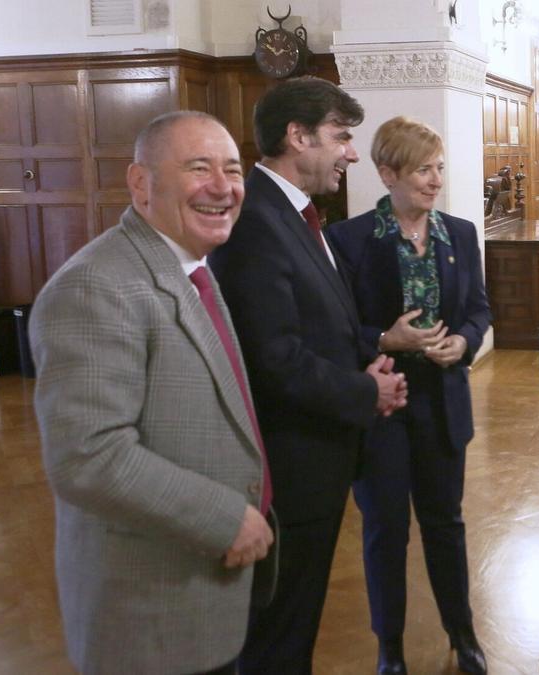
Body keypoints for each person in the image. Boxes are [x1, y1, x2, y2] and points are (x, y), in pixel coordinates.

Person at [29, 111, 274, 674]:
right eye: (198, 168)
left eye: (233, 170)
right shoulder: (97, 286)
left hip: (200, 594)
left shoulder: (191, 267)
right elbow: (87, 457)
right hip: (150, 613)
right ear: (141, 184)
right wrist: (224, 517)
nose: (223, 186)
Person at [208, 77, 408, 674]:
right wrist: (365, 389)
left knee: (295, 627)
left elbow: (315, 325)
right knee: (279, 637)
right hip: (290, 470)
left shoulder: (296, 216)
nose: (351, 152)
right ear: (297, 137)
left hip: (318, 460)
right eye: (340, 137)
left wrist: (362, 356)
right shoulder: (256, 224)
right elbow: (274, 360)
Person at [327, 117, 492, 675]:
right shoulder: (347, 241)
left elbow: (478, 310)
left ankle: (462, 633)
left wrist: (463, 344)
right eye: (423, 169)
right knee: (385, 531)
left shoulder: (461, 234)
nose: (435, 180)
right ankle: (389, 646)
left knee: (446, 525)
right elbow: (333, 328)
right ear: (387, 173)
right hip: (382, 408)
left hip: (444, 403)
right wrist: (382, 339)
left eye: (439, 168)